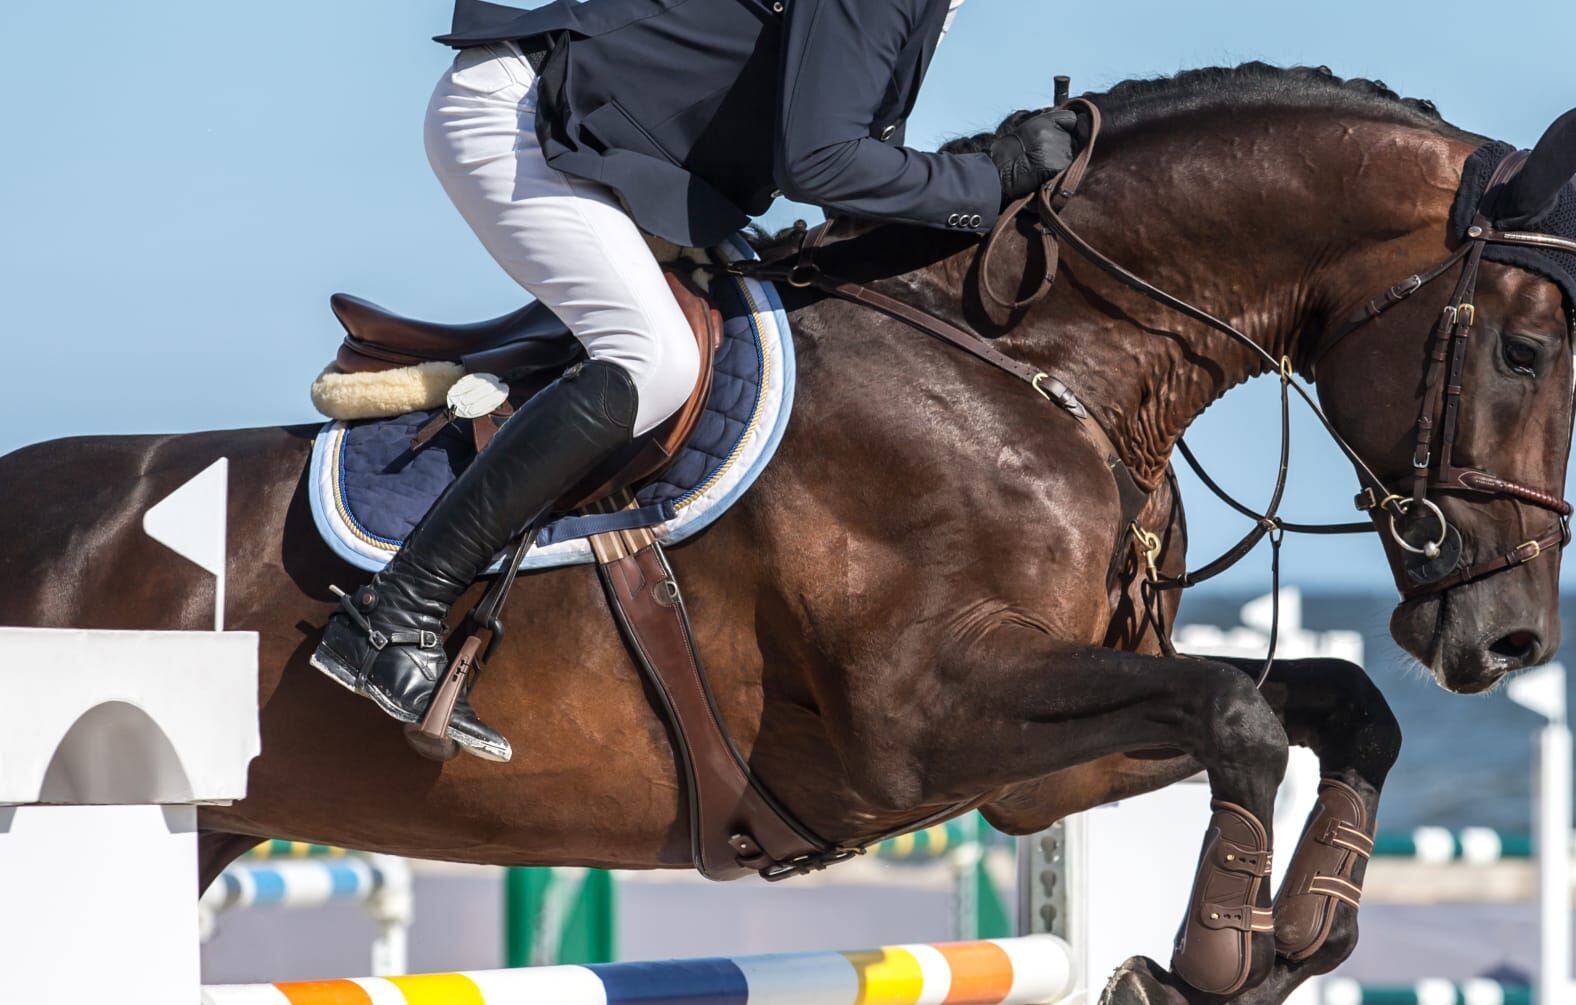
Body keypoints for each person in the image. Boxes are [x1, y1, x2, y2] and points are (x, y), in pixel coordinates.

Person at [311, 0, 1082, 762]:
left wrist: (988, 175)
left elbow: (864, 162)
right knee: (654, 359)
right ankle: (393, 610)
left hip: (622, 151)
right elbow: (822, 164)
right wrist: (987, 179)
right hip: (530, 121)